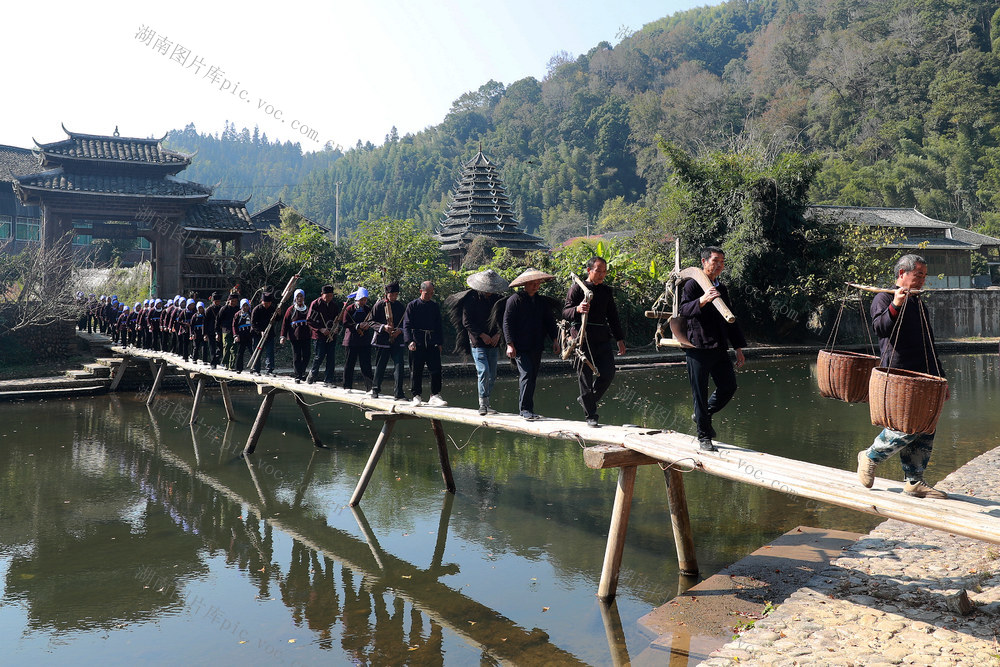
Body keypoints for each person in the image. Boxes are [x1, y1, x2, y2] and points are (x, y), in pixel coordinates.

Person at [857, 254, 949, 499]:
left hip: (926, 375)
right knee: (905, 426)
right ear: (901, 274)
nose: (922, 280)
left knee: (927, 427)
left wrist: (941, 378)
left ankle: (914, 481)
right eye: (918, 275)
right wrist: (895, 305)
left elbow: (929, 343)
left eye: (924, 276)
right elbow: (880, 328)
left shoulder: (919, 302)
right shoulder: (883, 298)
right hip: (898, 374)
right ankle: (870, 456)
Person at [678, 247, 747, 451]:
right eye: (715, 260)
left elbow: (730, 321)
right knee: (699, 393)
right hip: (697, 347)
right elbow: (683, 310)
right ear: (704, 262)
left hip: (719, 347)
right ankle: (704, 437)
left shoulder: (722, 288)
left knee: (728, 386)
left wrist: (738, 348)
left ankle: (703, 415)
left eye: (722, 262)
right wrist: (703, 299)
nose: (719, 265)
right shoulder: (692, 285)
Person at [563, 256, 627, 428]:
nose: (602, 275)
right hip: (581, 339)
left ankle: (587, 399)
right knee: (585, 377)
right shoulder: (577, 289)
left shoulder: (606, 291)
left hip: (602, 337)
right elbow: (565, 312)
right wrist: (577, 309)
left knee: (608, 373)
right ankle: (591, 415)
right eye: (598, 271)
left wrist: (619, 339)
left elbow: (613, 316)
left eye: (604, 271)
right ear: (589, 270)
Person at [504, 268, 558, 420]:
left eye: (538, 283)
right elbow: (507, 323)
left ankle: (529, 409)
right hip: (520, 346)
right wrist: (510, 344)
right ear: (525, 284)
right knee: (526, 374)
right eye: (533, 283)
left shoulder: (541, 301)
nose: (536, 286)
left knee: (532, 376)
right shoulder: (514, 300)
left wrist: (555, 339)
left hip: (536, 344)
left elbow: (549, 321)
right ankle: (524, 410)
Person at [459, 269, 507, 415]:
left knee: (492, 373)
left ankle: (487, 402)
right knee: (484, 371)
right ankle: (482, 404)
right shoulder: (471, 299)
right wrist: (482, 335)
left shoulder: (498, 299)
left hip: (494, 341)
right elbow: (466, 322)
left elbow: (504, 319)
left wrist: (498, 335)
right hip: (477, 342)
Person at [402, 281, 447, 406]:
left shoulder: (434, 306)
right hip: (417, 341)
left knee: (436, 369)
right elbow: (406, 325)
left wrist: (439, 342)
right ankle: (416, 396)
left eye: (432, 293)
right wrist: (409, 341)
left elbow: (439, 325)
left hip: (432, 341)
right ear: (421, 291)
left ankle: (435, 395)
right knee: (416, 370)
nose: (430, 295)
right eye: (427, 293)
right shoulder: (412, 305)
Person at [370, 282, 407, 400]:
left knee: (399, 365)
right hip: (383, 339)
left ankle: (399, 393)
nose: (394, 296)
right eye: (392, 294)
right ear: (387, 294)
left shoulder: (400, 306)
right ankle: (375, 389)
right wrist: (383, 327)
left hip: (397, 339)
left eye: (396, 294)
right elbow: (371, 321)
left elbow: (405, 323)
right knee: (380, 365)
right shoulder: (379, 305)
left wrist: (400, 330)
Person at [307, 285, 343, 385]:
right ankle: (312, 375)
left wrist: (336, 328)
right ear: (322, 294)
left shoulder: (334, 305)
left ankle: (328, 380)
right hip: (319, 335)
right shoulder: (315, 304)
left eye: (331, 296)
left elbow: (336, 321)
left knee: (331, 358)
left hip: (331, 336)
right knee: (319, 356)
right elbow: (309, 320)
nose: (329, 298)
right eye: (327, 296)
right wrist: (320, 329)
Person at [341, 287, 374, 391]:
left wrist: (368, 325)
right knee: (349, 364)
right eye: (361, 299)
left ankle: (370, 387)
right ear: (357, 299)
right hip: (352, 340)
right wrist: (358, 326)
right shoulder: (349, 308)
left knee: (366, 365)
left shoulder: (368, 309)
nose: (363, 302)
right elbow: (345, 323)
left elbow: (373, 321)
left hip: (364, 341)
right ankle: (347, 386)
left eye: (365, 299)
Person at [281, 288, 312, 382]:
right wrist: (283, 336)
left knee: (307, 355)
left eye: (301, 296)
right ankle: (298, 375)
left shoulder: (307, 309)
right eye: (297, 296)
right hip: (295, 336)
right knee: (297, 356)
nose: (299, 298)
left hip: (306, 336)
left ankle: (302, 371)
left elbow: (312, 322)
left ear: (304, 297)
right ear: (295, 298)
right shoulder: (290, 310)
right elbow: (285, 324)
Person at [251, 291, 278, 375]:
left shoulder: (273, 309)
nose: (267, 305)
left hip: (269, 333)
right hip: (258, 334)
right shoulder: (256, 309)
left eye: (268, 303)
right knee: (257, 351)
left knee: (270, 351)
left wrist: (279, 313)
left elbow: (277, 319)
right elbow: (253, 323)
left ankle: (269, 369)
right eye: (265, 303)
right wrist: (260, 332)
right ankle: (256, 369)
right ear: (262, 301)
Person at [218, 292, 240, 370]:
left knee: (234, 348)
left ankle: (232, 365)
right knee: (227, 346)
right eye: (232, 301)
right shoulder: (224, 309)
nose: (234, 303)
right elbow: (218, 321)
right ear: (229, 300)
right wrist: (218, 333)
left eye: (235, 301)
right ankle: (225, 363)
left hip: (235, 331)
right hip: (226, 330)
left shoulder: (238, 309)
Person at [233, 298, 254, 373]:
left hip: (249, 335)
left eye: (246, 305)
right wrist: (236, 335)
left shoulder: (251, 313)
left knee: (252, 351)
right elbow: (234, 326)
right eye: (243, 306)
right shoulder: (237, 314)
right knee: (240, 352)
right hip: (241, 336)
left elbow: (253, 323)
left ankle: (253, 367)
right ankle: (239, 368)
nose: (245, 307)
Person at [204, 292, 222, 368]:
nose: (217, 303)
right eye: (216, 301)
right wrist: (205, 334)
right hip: (210, 330)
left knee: (221, 347)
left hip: (219, 330)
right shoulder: (208, 310)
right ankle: (213, 363)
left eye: (218, 301)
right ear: (213, 301)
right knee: (212, 348)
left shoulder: (221, 308)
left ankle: (217, 360)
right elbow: (205, 322)